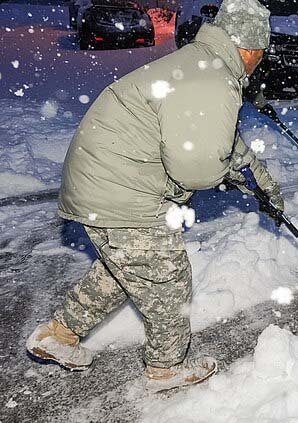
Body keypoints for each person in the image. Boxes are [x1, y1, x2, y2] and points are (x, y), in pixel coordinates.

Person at [26, 0, 283, 393]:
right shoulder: (214, 80)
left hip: (100, 182)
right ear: (250, 49)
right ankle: (165, 370)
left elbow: (225, 144)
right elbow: (198, 166)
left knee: (126, 267)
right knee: (168, 282)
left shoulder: (201, 65)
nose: (259, 62)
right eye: (261, 54)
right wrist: (224, 176)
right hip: (123, 189)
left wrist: (262, 185)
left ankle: (58, 335)